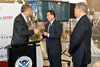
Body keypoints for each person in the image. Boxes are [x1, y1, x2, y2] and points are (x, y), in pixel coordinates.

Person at [67, 2, 92, 67]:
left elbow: (76, 40)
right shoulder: (85, 20)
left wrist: (70, 50)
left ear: (80, 10)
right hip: (82, 55)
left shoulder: (83, 22)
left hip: (80, 56)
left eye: (75, 9)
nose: (74, 11)